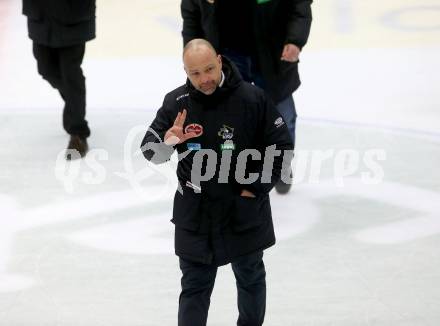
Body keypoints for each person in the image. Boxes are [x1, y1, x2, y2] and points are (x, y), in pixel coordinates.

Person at [141, 39, 293, 326]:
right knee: (194, 287)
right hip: (195, 214)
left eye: (209, 69)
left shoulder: (253, 99)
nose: (204, 79)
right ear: (185, 71)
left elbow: (281, 148)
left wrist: (254, 189)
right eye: (195, 73)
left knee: (250, 278)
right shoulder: (176, 103)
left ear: (220, 61)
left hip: (243, 209)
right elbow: (150, 151)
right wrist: (169, 141)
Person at [181, 0, 313, 193]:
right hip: (226, 56)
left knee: (282, 116)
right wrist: (192, 57)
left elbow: (299, 6)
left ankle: (280, 163)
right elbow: (191, 15)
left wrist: (295, 40)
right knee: (230, 120)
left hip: (272, 55)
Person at [22, 0, 96, 159]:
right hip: (41, 13)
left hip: (73, 14)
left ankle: (78, 133)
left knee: (71, 72)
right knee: (46, 69)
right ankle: (74, 103)